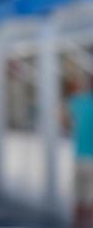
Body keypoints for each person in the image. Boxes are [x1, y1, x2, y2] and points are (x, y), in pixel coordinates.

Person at [65, 76, 93, 228]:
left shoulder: (78, 102)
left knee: (78, 201)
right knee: (90, 205)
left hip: (79, 158)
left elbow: (64, 119)